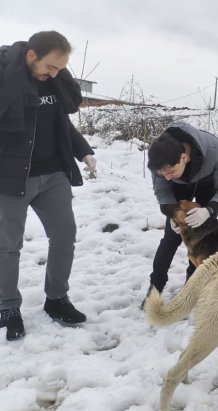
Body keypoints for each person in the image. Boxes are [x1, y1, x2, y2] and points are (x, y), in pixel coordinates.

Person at [0, 31, 97, 341]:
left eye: (60, 69)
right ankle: (8, 306)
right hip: (12, 175)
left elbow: (60, 122)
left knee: (64, 234)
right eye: (51, 67)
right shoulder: (6, 80)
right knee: (8, 245)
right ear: (32, 56)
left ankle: (56, 299)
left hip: (53, 173)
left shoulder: (54, 82)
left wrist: (83, 150)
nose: (55, 74)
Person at [145, 121, 218, 301]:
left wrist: (209, 210)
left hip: (206, 185)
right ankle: (155, 288)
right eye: (162, 174)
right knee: (171, 238)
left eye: (170, 171)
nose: (166, 176)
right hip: (178, 190)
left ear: (184, 157)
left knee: (203, 240)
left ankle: (190, 289)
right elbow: (162, 190)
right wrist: (170, 214)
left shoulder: (213, 150)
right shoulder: (160, 159)